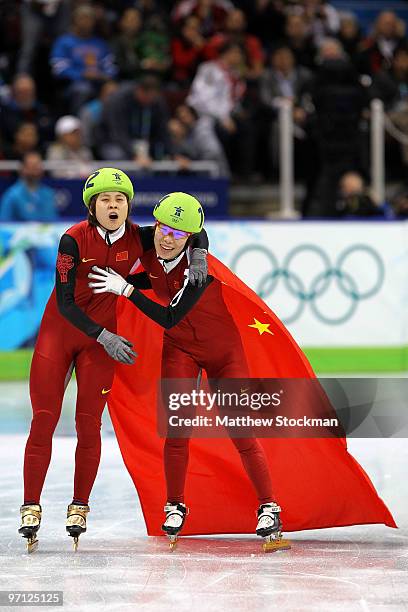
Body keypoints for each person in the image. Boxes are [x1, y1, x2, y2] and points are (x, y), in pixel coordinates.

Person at [88, 192, 396, 543]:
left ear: (188, 239)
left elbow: (169, 315)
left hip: (224, 355)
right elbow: (151, 270)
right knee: (177, 430)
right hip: (180, 351)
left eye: (178, 234)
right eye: (162, 228)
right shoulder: (158, 244)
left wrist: (126, 288)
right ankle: (175, 504)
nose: (167, 238)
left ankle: (268, 506)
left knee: (240, 430)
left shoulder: (199, 274)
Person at [18, 169, 209, 552]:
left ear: (128, 206)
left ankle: (79, 505)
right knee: (44, 420)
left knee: (89, 425)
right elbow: (66, 302)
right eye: (105, 200)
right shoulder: (73, 238)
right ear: (92, 207)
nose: (113, 205)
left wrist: (200, 252)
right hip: (61, 335)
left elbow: (190, 223)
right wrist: (103, 335)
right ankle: (31, 504)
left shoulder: (140, 237)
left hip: (98, 346)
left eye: (120, 200)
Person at [50, 5, 117, 114]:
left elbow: (111, 66)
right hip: (72, 85)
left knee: (114, 90)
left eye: (89, 19)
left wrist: (104, 75)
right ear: (74, 20)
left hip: (99, 83)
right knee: (83, 89)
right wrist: (82, 74)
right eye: (83, 18)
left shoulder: (100, 43)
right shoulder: (64, 42)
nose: (86, 22)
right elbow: (59, 69)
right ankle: (78, 126)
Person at [0, 152, 57, 222]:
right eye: (32, 166)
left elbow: (53, 221)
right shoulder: (12, 195)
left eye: (38, 166)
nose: (35, 170)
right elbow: (4, 224)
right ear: (22, 168)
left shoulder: (49, 193)